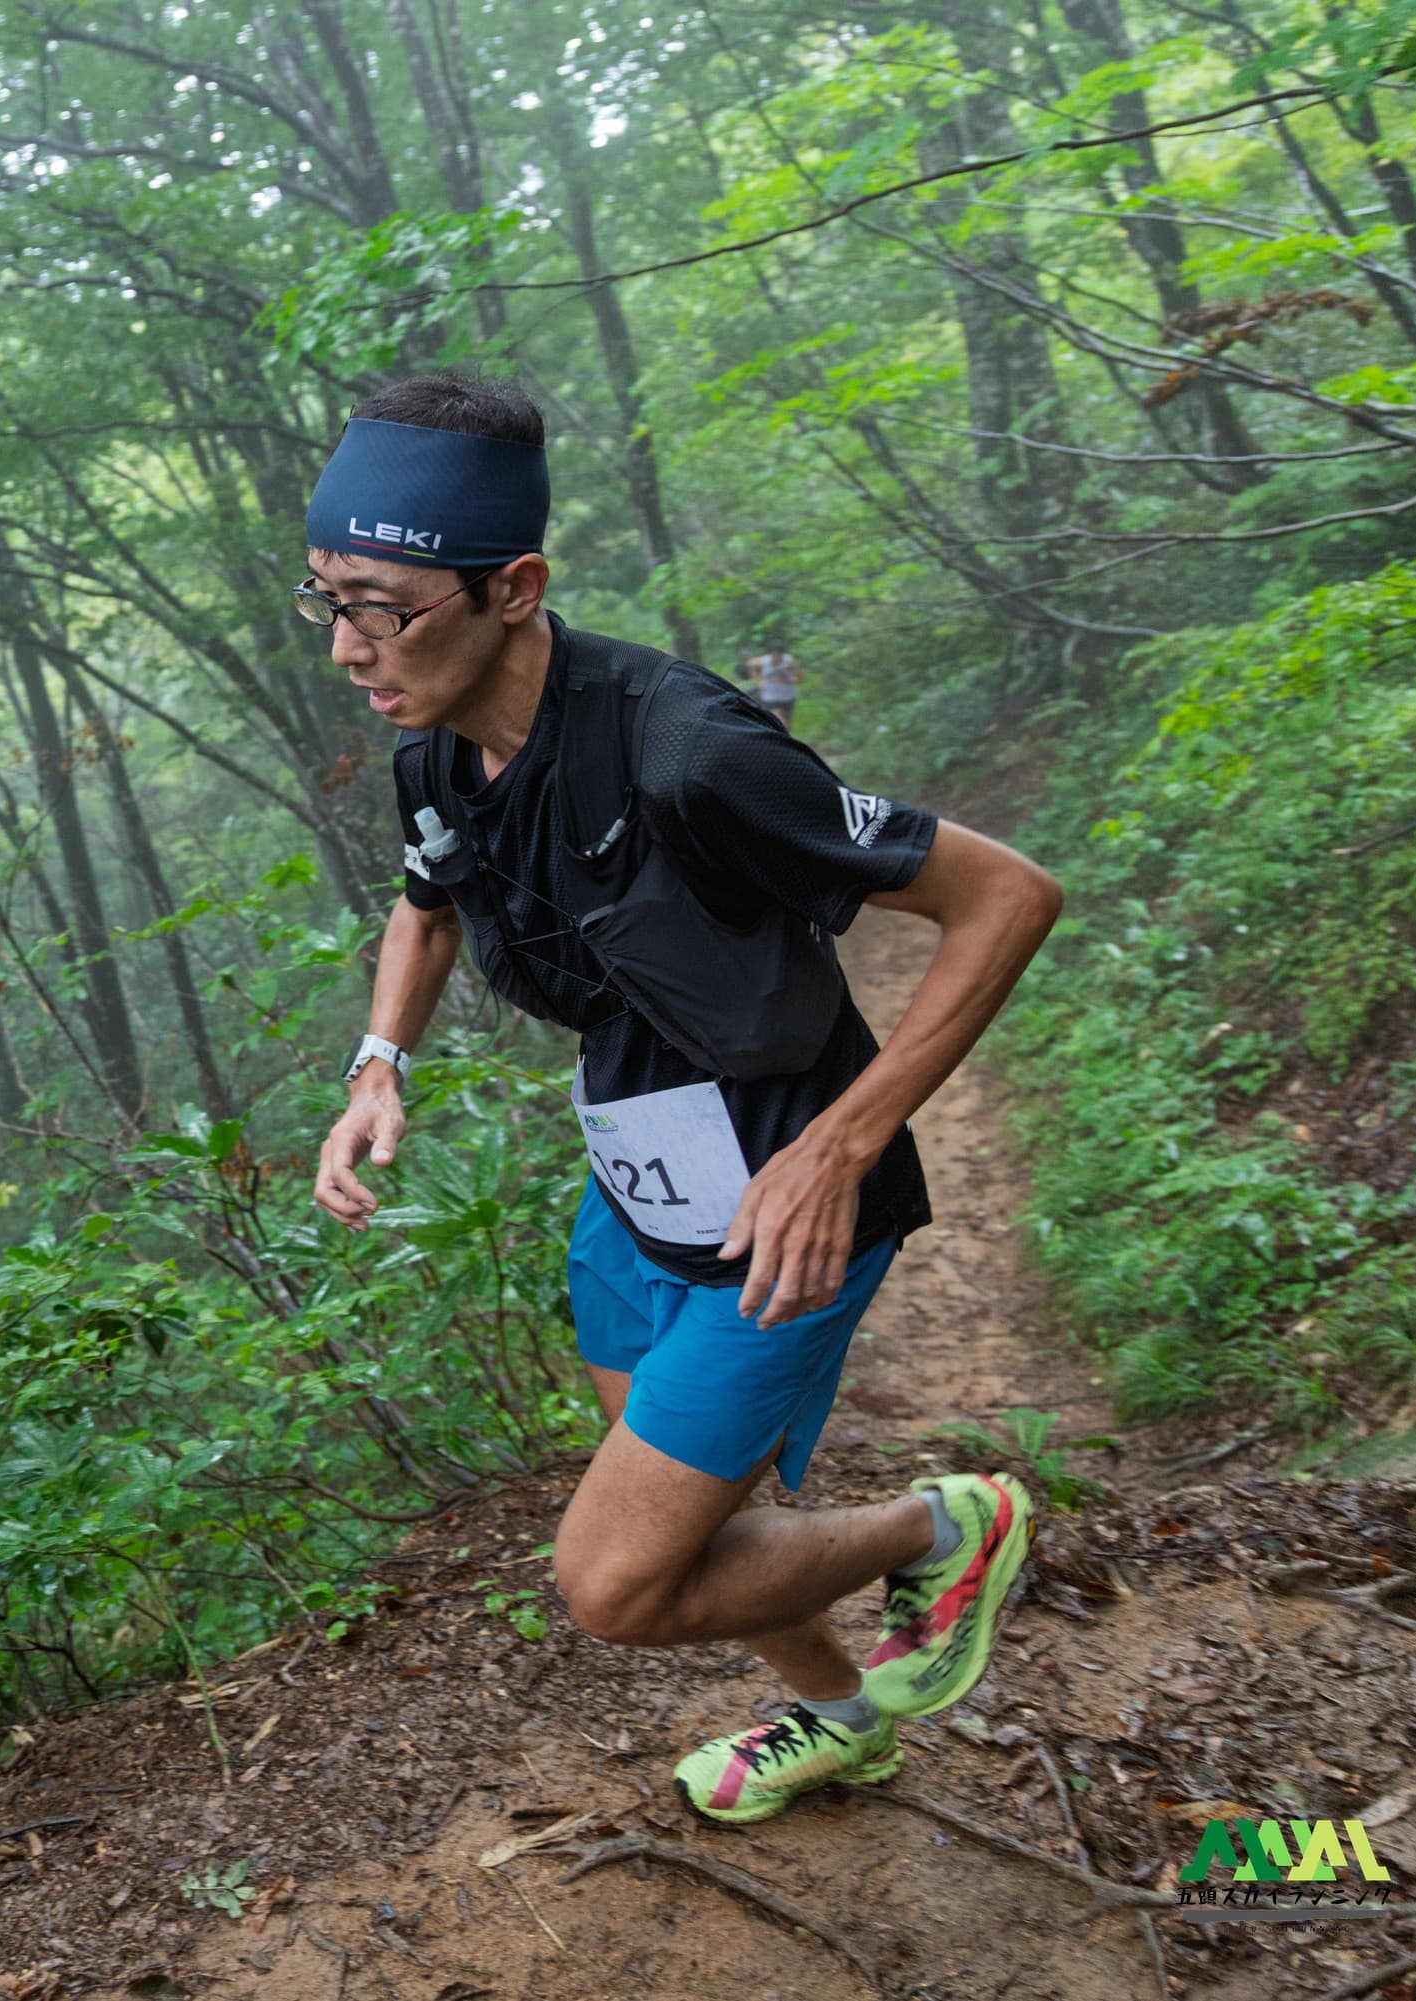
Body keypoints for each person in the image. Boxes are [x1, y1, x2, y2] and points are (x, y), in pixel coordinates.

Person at [302, 370, 1064, 1826]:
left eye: (383, 606)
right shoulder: (436, 749)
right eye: (327, 600)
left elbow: (1006, 897)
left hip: (787, 1207)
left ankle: (950, 1524)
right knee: (719, 1514)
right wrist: (378, 1061)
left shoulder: (693, 750)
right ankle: (843, 1716)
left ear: (514, 586)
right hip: (633, 1196)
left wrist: (845, 1147)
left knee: (618, 1579)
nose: (349, 647)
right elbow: (427, 901)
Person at [740, 645, 801, 732]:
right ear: (770, 655)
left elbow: (800, 679)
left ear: (782, 656)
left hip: (787, 696)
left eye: (778, 658)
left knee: (787, 725)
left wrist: (788, 680)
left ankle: (785, 742)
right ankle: (776, 741)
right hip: (770, 697)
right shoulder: (764, 661)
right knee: (779, 721)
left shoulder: (789, 661)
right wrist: (757, 682)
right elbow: (749, 664)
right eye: (773, 657)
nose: (775, 661)